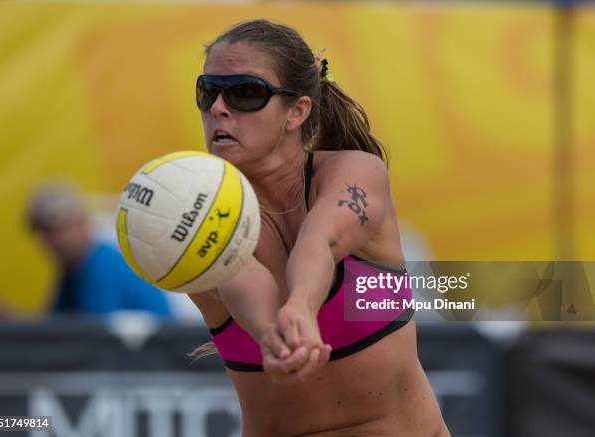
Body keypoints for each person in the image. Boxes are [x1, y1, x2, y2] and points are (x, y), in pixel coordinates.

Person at [189, 19, 450, 436]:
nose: (219, 107)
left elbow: (321, 240)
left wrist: (302, 308)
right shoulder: (199, 210)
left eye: (245, 92)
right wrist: (274, 335)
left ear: (298, 110)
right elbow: (241, 278)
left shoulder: (354, 170)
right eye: (208, 91)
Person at [27, 183, 173, 318]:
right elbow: (53, 326)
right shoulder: (75, 268)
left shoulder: (104, 265)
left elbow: (94, 336)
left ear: (82, 223)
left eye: (56, 230)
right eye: (43, 231)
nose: (50, 241)